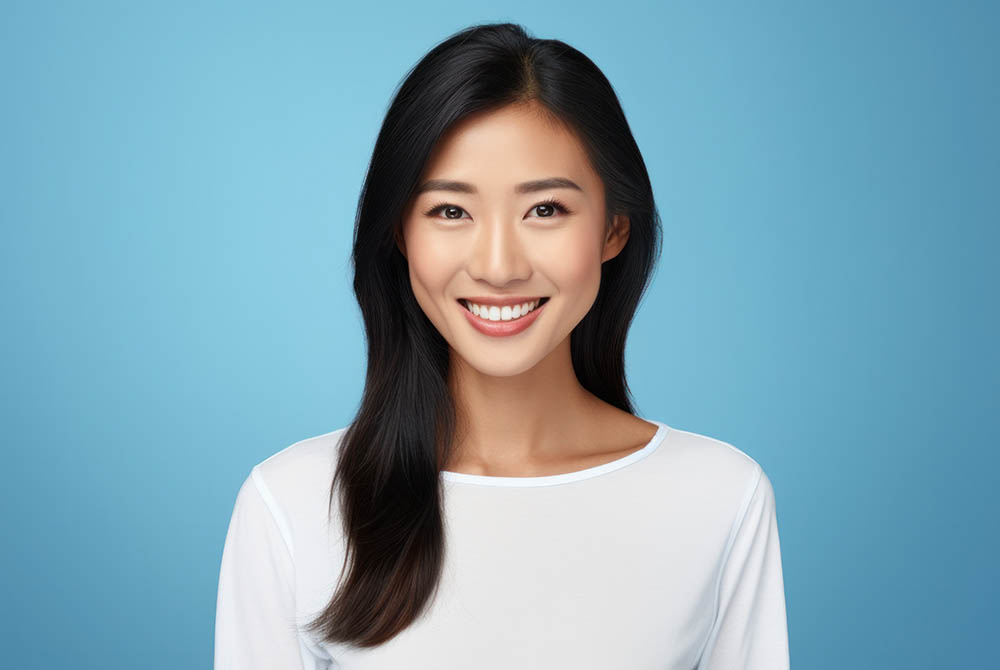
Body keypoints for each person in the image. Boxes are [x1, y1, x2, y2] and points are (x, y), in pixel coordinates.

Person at [214, 22, 789, 669]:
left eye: (545, 210)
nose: (498, 266)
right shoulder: (293, 504)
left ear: (613, 229)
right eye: (451, 212)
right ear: (400, 234)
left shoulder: (718, 498)